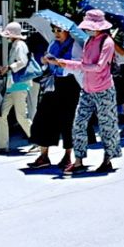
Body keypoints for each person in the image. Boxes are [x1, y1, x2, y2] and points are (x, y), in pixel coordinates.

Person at [49, 9, 121, 175]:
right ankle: (79, 160)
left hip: (103, 89)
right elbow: (83, 62)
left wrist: (70, 64)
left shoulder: (107, 42)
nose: (88, 29)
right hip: (87, 89)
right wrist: (65, 63)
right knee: (78, 124)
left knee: (107, 126)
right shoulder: (90, 41)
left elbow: (99, 66)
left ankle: (108, 159)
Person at [27, 26, 81, 170]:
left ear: (67, 31)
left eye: (59, 30)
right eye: (54, 30)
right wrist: (45, 62)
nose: (56, 33)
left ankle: (68, 155)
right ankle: (44, 155)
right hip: (53, 82)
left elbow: (77, 65)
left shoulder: (75, 45)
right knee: (43, 116)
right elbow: (47, 64)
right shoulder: (52, 44)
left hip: (70, 84)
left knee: (68, 119)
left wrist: (58, 62)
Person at [0, 22, 34, 153]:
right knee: (2, 115)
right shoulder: (17, 45)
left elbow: (23, 62)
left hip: (18, 84)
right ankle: (1, 145)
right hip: (13, 84)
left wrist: (10, 67)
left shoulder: (19, 45)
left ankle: (38, 140)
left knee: (21, 116)